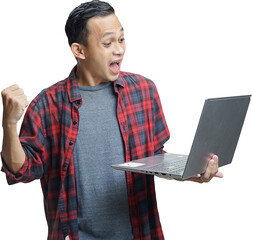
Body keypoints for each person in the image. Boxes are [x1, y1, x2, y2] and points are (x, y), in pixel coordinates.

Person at [1, 1, 223, 240]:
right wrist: (9, 125)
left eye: (121, 39)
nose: (119, 50)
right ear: (79, 50)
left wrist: (192, 171)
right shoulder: (48, 104)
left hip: (139, 234)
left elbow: (155, 158)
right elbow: (21, 171)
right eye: (107, 43)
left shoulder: (143, 91)